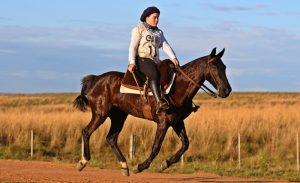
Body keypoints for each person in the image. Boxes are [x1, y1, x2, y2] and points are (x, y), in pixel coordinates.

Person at [128, 6, 180, 113]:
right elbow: (133, 46)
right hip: (143, 59)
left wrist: (173, 57)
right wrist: (132, 62)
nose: (157, 20)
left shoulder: (159, 32)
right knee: (154, 74)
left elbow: (165, 45)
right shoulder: (138, 29)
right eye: (154, 17)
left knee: (170, 70)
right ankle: (159, 102)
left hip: (155, 61)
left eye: (158, 18)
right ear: (147, 17)